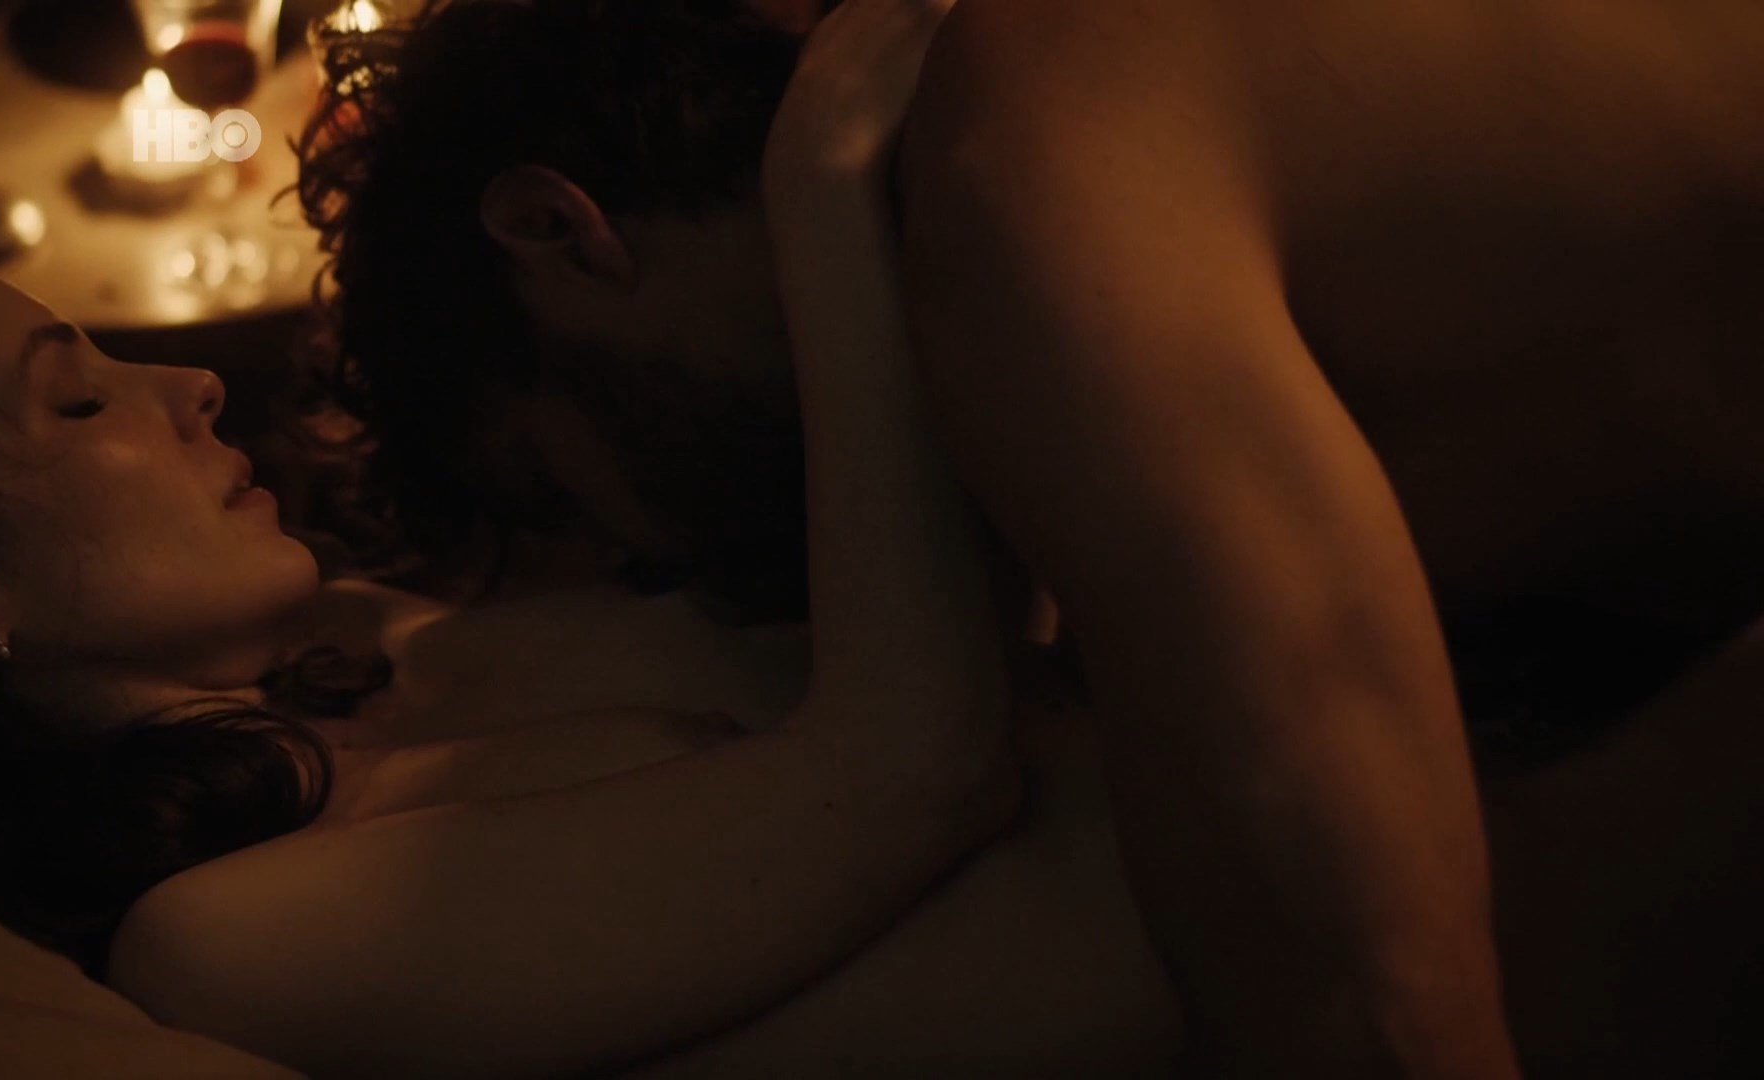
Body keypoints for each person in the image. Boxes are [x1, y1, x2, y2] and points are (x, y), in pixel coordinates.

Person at [296, 0, 1764, 1073]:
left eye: (558, 491)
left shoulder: (1019, 183)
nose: (666, 565)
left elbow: (1378, 1016)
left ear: (556, 232)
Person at [0, 3, 1200, 1075]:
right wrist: (824, 170)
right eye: (76, 402)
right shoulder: (220, 939)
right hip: (1240, 963)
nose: (192, 383)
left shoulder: (364, 646)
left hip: (1213, 763)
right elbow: (921, 769)